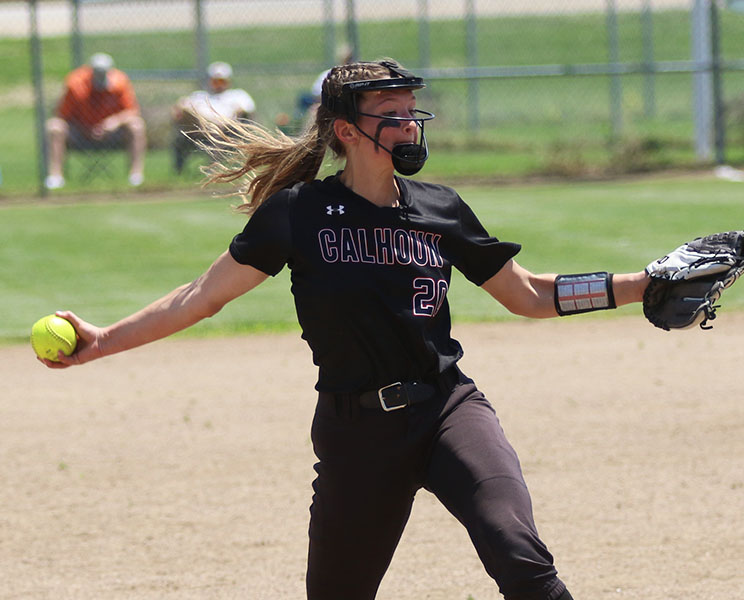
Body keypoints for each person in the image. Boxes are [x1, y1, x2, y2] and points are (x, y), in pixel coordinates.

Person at [39, 59, 656, 600]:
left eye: (413, 113)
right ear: (347, 130)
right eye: (392, 114)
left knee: (519, 556)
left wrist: (641, 285)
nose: (410, 125)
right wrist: (103, 340)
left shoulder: (439, 208)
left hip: (448, 409)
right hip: (356, 431)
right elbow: (201, 297)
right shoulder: (297, 214)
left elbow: (528, 294)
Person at [45, 53, 146, 189]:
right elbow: (62, 116)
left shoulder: (120, 82)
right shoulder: (75, 84)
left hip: (112, 134)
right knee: (54, 127)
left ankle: (136, 176)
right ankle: (55, 177)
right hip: (80, 133)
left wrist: (115, 122)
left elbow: (133, 111)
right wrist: (83, 127)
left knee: (136, 125)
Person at [171, 61, 256, 174]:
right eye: (215, 81)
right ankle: (210, 130)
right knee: (185, 107)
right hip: (200, 130)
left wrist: (225, 123)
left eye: (221, 81)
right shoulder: (199, 96)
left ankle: (213, 133)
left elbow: (246, 112)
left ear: (228, 81)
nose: (218, 84)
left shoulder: (238, 95)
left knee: (227, 124)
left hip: (227, 129)